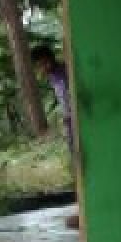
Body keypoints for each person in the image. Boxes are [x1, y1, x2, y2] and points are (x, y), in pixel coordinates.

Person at [31, 44, 79, 230]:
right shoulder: (53, 77)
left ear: (48, 59)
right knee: (76, 165)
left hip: (78, 121)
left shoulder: (66, 72)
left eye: (41, 64)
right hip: (70, 122)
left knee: (82, 163)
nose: (40, 69)